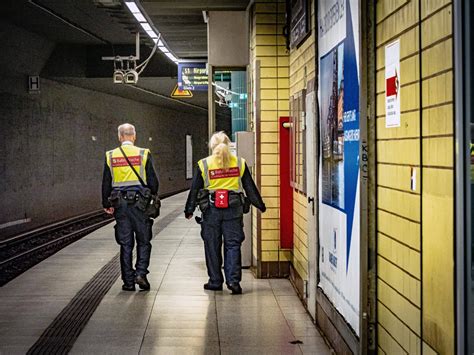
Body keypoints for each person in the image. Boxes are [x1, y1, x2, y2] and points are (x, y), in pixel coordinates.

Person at [184, 131, 266, 294]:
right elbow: (250, 188)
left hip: (211, 210)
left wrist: (189, 209)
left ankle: (215, 281)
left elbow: (195, 189)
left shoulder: (204, 164)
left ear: (211, 146)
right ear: (228, 145)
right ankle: (233, 282)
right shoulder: (239, 163)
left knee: (212, 246)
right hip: (233, 210)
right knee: (233, 245)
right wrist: (260, 206)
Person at [102, 123, 159, 291]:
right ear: (134, 136)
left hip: (120, 204)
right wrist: (151, 195)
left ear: (120, 137)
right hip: (140, 204)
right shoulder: (143, 153)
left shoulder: (110, 155)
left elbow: (106, 182)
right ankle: (141, 273)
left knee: (126, 244)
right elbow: (153, 182)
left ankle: (127, 281)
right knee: (143, 241)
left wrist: (106, 203)